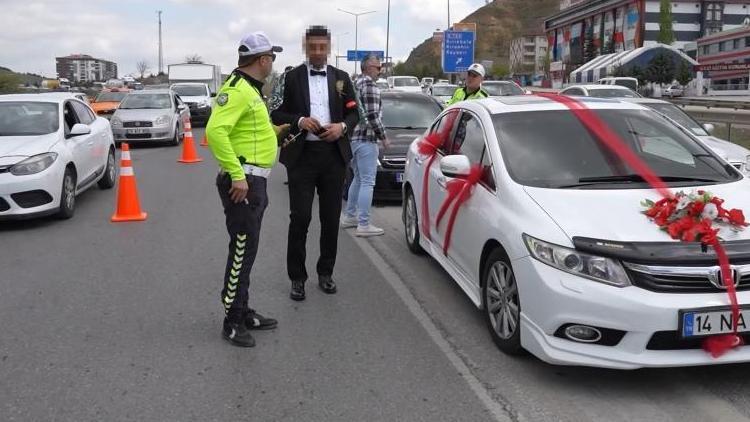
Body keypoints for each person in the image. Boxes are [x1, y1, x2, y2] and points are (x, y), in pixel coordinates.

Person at [205, 31, 287, 347]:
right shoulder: (238, 90)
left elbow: (252, 132)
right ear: (262, 59)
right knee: (242, 250)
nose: (273, 63)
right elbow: (215, 132)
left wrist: (280, 131)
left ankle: (243, 308)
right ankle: (232, 320)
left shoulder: (252, 91)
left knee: (247, 250)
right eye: (272, 57)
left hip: (255, 182)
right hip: (244, 184)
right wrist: (237, 176)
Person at [270, 25, 360, 301]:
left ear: (329, 47)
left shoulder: (342, 78)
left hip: (333, 157)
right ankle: (297, 277)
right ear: (305, 47)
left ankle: (325, 273)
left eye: (322, 47)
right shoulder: (291, 77)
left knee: (330, 219)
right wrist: (299, 120)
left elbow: (356, 114)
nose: (318, 52)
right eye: (313, 47)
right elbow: (275, 111)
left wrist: (342, 128)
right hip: (303, 157)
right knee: (301, 218)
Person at [341, 54, 388, 237]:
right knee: (368, 181)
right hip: (366, 139)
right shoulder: (369, 86)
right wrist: (383, 137)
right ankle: (364, 224)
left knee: (358, 178)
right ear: (368, 67)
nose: (380, 71)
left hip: (352, 138)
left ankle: (350, 216)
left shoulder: (355, 84)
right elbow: (372, 116)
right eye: (378, 67)